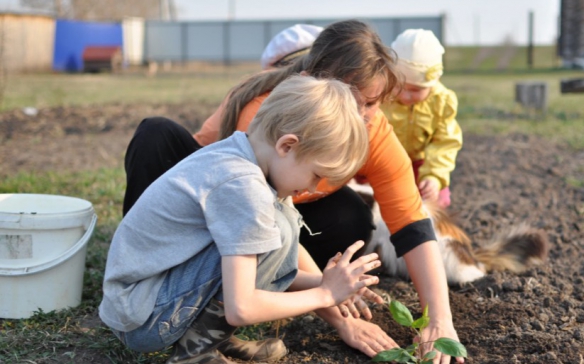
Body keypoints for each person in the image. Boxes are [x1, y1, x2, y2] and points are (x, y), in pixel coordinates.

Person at [123, 20, 464, 364]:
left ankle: (207, 336)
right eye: (351, 101)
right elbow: (259, 231)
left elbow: (412, 224)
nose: (360, 118)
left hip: (267, 217)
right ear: (312, 85)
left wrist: (440, 321)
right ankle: (157, 285)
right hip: (214, 216)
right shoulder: (268, 117)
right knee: (158, 135)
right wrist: (333, 307)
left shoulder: (371, 132)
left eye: (371, 105)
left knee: (348, 217)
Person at [99, 76, 382, 364]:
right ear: (287, 145)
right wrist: (325, 294)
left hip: (147, 301)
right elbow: (242, 307)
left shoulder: (244, 154)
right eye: (316, 175)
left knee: (278, 229)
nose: (312, 188)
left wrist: (328, 282)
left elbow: (271, 267)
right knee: (278, 230)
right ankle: (194, 354)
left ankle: (207, 338)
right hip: (144, 316)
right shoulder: (243, 186)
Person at [381, 29, 462, 208]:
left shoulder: (441, 102)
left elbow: (444, 143)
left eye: (416, 90)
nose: (406, 95)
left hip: (419, 166)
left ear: (433, 82)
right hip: (381, 164)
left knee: (436, 199)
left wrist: (433, 176)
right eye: (400, 86)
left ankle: (427, 232)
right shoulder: (380, 95)